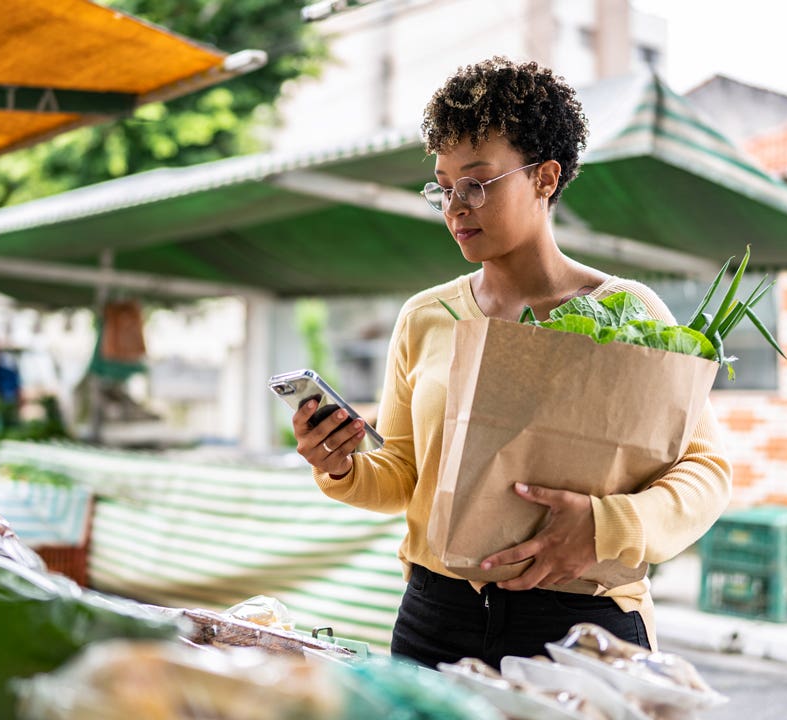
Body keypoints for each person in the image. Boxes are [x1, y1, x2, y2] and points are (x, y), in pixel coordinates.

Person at [291, 57, 732, 669]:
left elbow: (705, 472)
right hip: (435, 618)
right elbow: (401, 475)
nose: (455, 206)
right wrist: (339, 465)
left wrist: (609, 524)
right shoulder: (425, 316)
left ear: (546, 178)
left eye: (476, 183)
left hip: (583, 622)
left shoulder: (629, 310)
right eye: (442, 187)